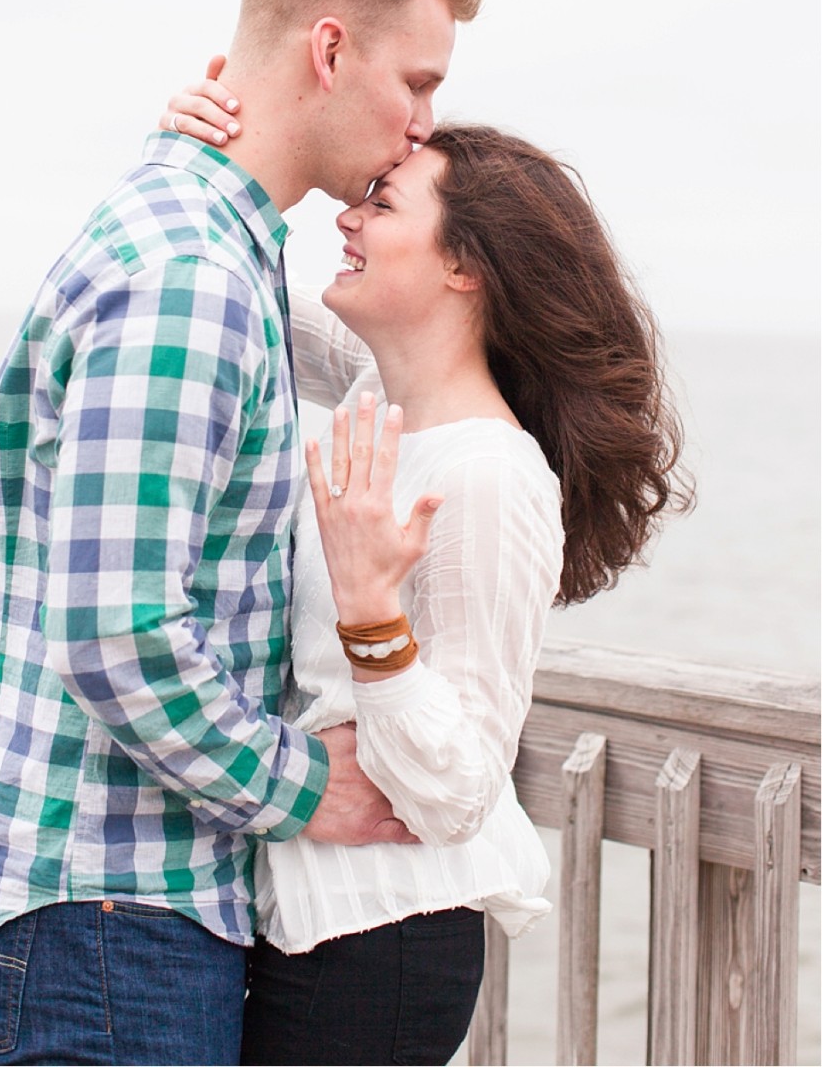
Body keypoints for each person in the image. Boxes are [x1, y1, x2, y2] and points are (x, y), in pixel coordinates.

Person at [0, 0, 483, 1065]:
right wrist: (299, 789)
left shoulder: (194, 237)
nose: (422, 121)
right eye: (416, 82)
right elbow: (116, 629)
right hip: (102, 908)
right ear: (329, 49)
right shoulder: (189, 277)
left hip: (94, 906)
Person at [162, 79, 689, 1063]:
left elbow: (458, 789)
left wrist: (368, 610)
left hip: (380, 944)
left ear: (462, 267)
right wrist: (201, 152)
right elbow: (227, 290)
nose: (344, 214)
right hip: (302, 918)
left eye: (381, 203)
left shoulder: (486, 474)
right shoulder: (378, 390)